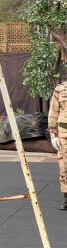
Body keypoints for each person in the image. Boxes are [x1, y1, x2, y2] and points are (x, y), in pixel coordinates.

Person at [48, 80, 67, 210]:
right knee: (64, 164)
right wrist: (53, 134)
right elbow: (53, 112)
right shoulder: (60, 88)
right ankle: (66, 197)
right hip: (64, 132)